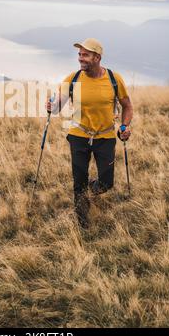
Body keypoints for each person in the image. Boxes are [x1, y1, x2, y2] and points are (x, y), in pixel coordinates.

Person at [46, 38, 133, 229]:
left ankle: (93, 188)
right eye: (79, 54)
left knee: (106, 183)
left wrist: (124, 127)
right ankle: (83, 224)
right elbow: (57, 107)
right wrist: (52, 106)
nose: (80, 58)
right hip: (79, 135)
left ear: (97, 57)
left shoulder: (113, 79)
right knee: (79, 182)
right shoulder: (72, 79)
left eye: (85, 55)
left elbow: (127, 106)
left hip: (106, 136)